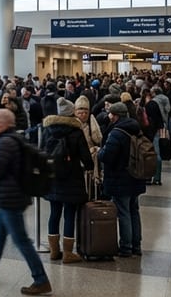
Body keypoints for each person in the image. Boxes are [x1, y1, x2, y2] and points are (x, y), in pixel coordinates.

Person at [0, 109, 51, 295]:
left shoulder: (5, 143)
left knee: (21, 240)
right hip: (10, 197)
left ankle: (41, 279)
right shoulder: (12, 139)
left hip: (10, 198)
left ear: (5, 124)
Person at [42, 98, 95, 264]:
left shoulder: (48, 130)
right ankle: (67, 253)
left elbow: (41, 151)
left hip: (52, 177)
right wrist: (89, 166)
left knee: (54, 213)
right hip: (72, 177)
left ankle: (53, 250)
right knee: (70, 214)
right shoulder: (76, 131)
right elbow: (86, 157)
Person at [100, 102, 147, 258]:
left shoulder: (117, 133)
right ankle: (136, 245)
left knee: (123, 212)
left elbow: (107, 156)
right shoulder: (136, 129)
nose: (109, 116)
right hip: (136, 177)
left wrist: (99, 153)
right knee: (134, 211)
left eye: (111, 114)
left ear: (116, 116)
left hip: (121, 179)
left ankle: (126, 247)